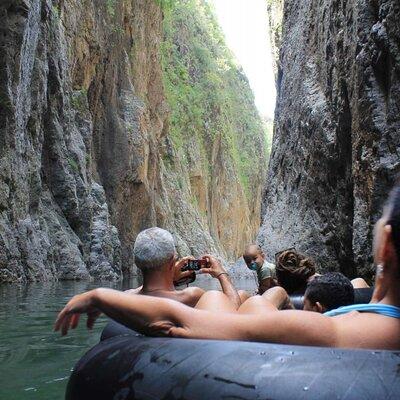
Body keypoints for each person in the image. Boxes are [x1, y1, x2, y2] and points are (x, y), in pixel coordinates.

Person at [55, 182, 400, 350]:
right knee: (260, 297)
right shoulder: (359, 305)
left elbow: (174, 324)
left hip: (245, 321)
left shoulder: (334, 331)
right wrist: (221, 277)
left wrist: (101, 296)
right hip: (264, 307)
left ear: (386, 245)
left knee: (259, 298)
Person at [126, 227, 241, 309]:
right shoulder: (191, 296)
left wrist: (171, 279)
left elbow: (149, 290)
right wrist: (222, 274)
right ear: (172, 262)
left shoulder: (125, 297)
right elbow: (233, 310)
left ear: (137, 262)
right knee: (242, 295)